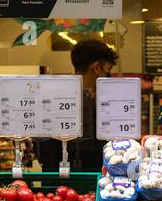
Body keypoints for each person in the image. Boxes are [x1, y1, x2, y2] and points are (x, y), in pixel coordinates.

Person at [36, 38, 118, 173]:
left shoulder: (53, 96)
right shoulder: (90, 101)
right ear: (97, 67)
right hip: (85, 177)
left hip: (57, 182)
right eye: (108, 70)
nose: (108, 76)